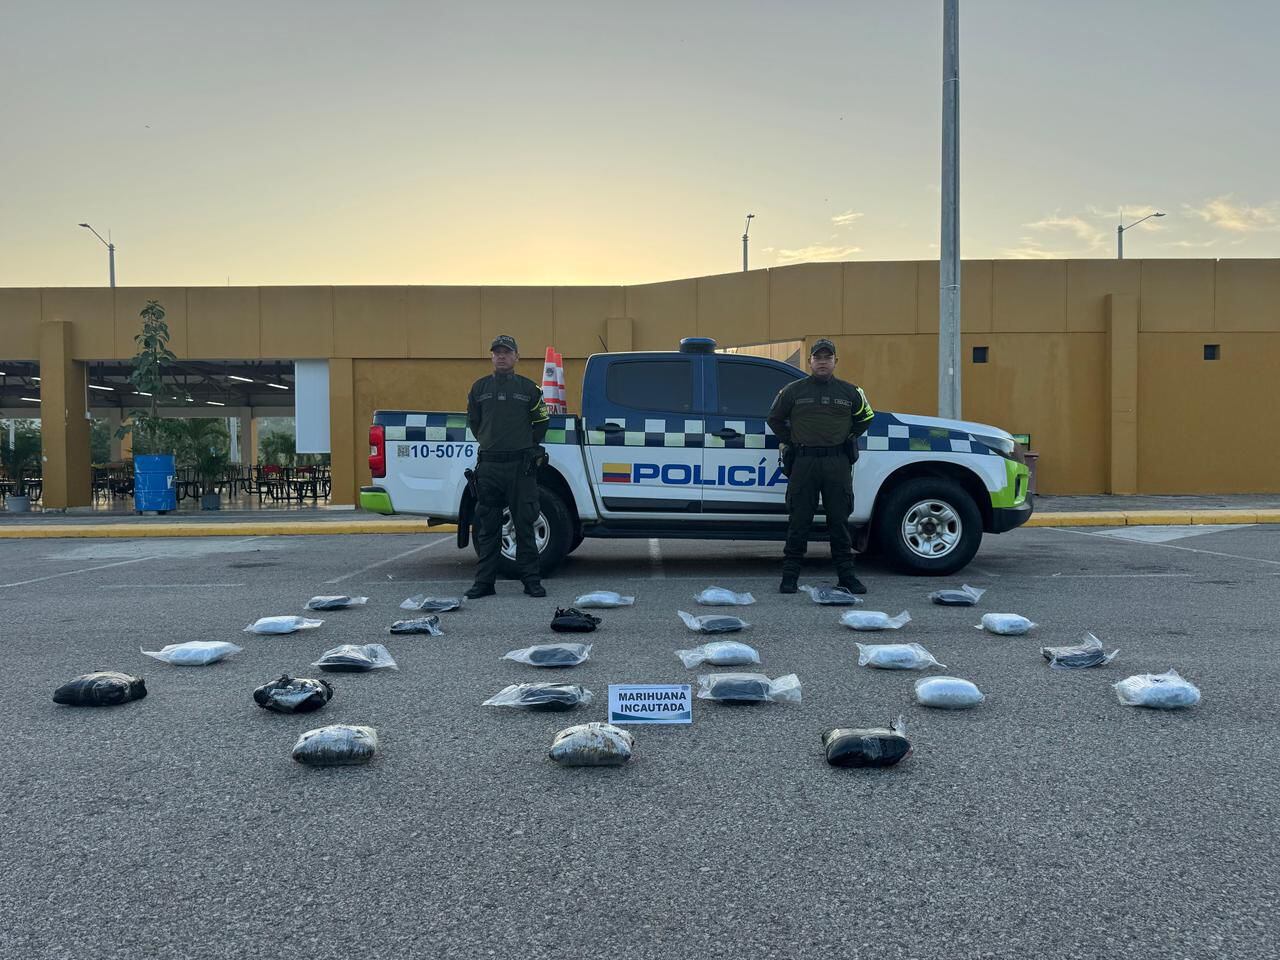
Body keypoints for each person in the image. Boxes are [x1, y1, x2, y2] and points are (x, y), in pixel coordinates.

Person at [766, 338, 875, 595]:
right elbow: (774, 419)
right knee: (799, 521)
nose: (822, 361)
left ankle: (847, 577)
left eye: (827, 357)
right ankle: (790, 577)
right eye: (818, 357)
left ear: (835, 361)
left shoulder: (851, 392)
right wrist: (791, 440)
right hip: (804, 463)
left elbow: (867, 417)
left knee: (839, 522)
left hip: (837, 463)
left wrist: (848, 438)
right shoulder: (793, 391)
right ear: (810, 361)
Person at [464, 334, 551, 599]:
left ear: (516, 357)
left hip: (520, 468)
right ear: (492, 356)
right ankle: (484, 583)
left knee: (524, 525)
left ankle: (531, 582)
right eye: (497, 352)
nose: (501, 356)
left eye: (507, 352)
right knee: (488, 528)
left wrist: (525, 446)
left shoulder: (529, 389)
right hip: (489, 468)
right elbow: (474, 423)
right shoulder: (479, 388)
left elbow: (541, 423)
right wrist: (492, 444)